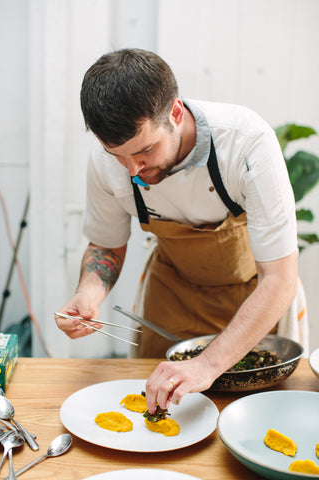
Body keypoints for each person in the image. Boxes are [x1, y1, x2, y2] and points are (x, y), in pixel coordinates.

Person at [55, 48, 298, 414]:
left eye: (145, 151)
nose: (133, 170)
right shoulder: (107, 162)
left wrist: (208, 364)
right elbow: (106, 244)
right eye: (118, 156)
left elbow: (279, 280)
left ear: (176, 112)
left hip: (252, 297)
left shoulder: (246, 143)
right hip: (170, 296)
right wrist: (89, 293)